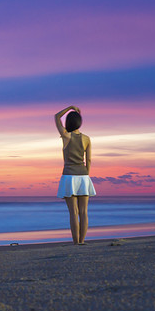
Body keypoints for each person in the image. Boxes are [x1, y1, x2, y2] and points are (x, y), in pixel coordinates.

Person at [55, 104, 95, 245]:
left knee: (74, 212)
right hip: (83, 176)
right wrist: (85, 175)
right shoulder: (86, 139)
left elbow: (56, 117)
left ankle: (75, 242)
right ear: (80, 122)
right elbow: (88, 159)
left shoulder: (66, 136)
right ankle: (82, 241)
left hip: (69, 177)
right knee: (84, 212)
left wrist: (70, 108)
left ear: (68, 123)